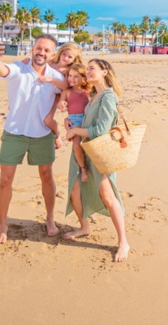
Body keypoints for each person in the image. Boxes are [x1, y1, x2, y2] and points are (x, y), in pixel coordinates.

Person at [0, 34, 65, 244]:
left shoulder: (58, 78)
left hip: (41, 135)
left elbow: (66, 91)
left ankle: (50, 219)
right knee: (4, 180)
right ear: (32, 48)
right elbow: (4, 69)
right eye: (39, 48)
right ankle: (2, 223)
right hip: (14, 133)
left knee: (47, 177)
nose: (41, 53)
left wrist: (56, 124)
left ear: (53, 54)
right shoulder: (19, 68)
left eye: (47, 50)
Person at [64, 59, 130, 262]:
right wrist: (70, 122)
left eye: (92, 68)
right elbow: (86, 121)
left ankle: (123, 242)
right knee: (74, 192)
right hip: (83, 152)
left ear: (105, 71)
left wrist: (76, 131)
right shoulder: (94, 95)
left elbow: (101, 130)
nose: (88, 71)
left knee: (108, 197)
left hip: (99, 153)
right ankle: (84, 227)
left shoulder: (108, 97)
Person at [35, 42, 83, 149]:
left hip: (56, 94)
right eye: (64, 54)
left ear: (74, 59)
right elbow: (36, 63)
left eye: (70, 57)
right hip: (41, 91)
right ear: (60, 53)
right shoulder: (51, 62)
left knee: (47, 119)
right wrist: (26, 60)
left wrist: (51, 80)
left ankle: (57, 134)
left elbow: (65, 85)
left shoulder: (67, 71)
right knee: (37, 115)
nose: (65, 58)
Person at [57, 64, 91, 183]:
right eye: (70, 75)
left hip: (87, 119)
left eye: (76, 76)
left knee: (89, 145)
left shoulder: (88, 91)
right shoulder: (67, 91)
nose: (71, 79)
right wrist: (62, 105)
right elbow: (60, 103)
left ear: (84, 78)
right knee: (77, 145)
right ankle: (83, 168)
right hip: (75, 121)